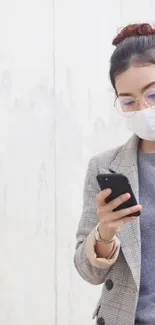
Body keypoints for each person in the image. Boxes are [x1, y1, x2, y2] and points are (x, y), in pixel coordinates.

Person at [74, 22, 155, 325]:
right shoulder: (105, 166)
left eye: (153, 93)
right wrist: (105, 231)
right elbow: (88, 272)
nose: (143, 108)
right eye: (129, 101)